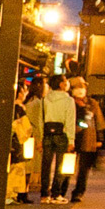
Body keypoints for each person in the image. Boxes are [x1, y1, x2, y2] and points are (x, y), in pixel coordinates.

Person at [40, 72, 76, 201]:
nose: (67, 84)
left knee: (46, 165)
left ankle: (44, 194)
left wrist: (40, 138)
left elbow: (41, 119)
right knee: (60, 165)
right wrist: (71, 140)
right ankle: (56, 194)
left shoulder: (45, 99)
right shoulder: (68, 100)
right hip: (62, 135)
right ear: (61, 84)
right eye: (65, 81)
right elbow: (70, 121)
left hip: (47, 134)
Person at [70, 85, 105, 203]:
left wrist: (99, 138)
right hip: (71, 137)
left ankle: (79, 192)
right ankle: (59, 191)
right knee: (67, 166)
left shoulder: (92, 103)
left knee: (84, 168)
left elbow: (98, 121)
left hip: (88, 138)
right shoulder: (69, 101)